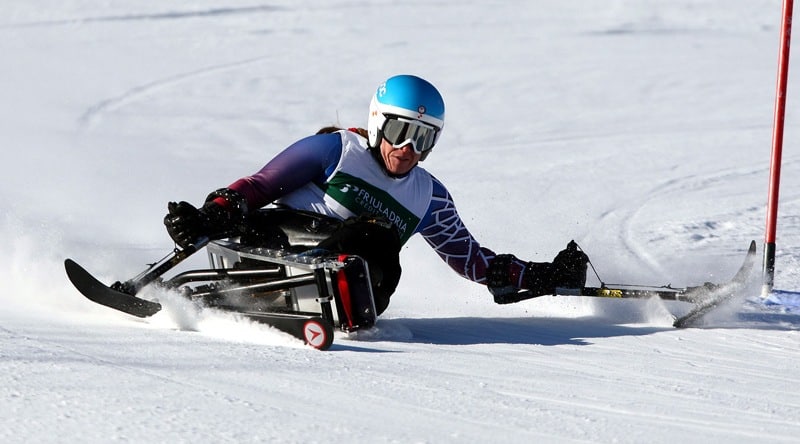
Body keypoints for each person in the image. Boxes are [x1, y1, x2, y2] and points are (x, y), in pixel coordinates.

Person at [163, 74, 589, 316]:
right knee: (365, 233)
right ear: (378, 122)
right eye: (401, 131)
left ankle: (324, 297)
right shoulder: (336, 150)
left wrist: (539, 275)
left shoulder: (428, 197)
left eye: (422, 138)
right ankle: (233, 294)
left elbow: (473, 261)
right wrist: (209, 213)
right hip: (277, 247)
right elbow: (257, 187)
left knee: (376, 237)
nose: (408, 149)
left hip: (350, 286)